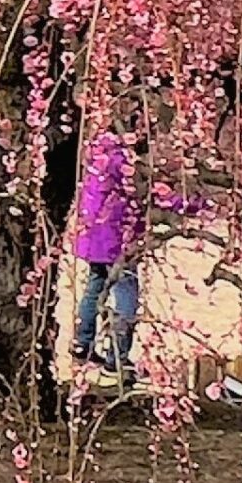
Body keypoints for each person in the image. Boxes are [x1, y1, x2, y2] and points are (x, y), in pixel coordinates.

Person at [70, 132, 141, 385]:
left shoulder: (94, 155)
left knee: (95, 286)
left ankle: (83, 343)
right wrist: (195, 204)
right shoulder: (125, 162)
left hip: (92, 239)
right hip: (117, 240)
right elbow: (151, 192)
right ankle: (117, 357)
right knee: (126, 293)